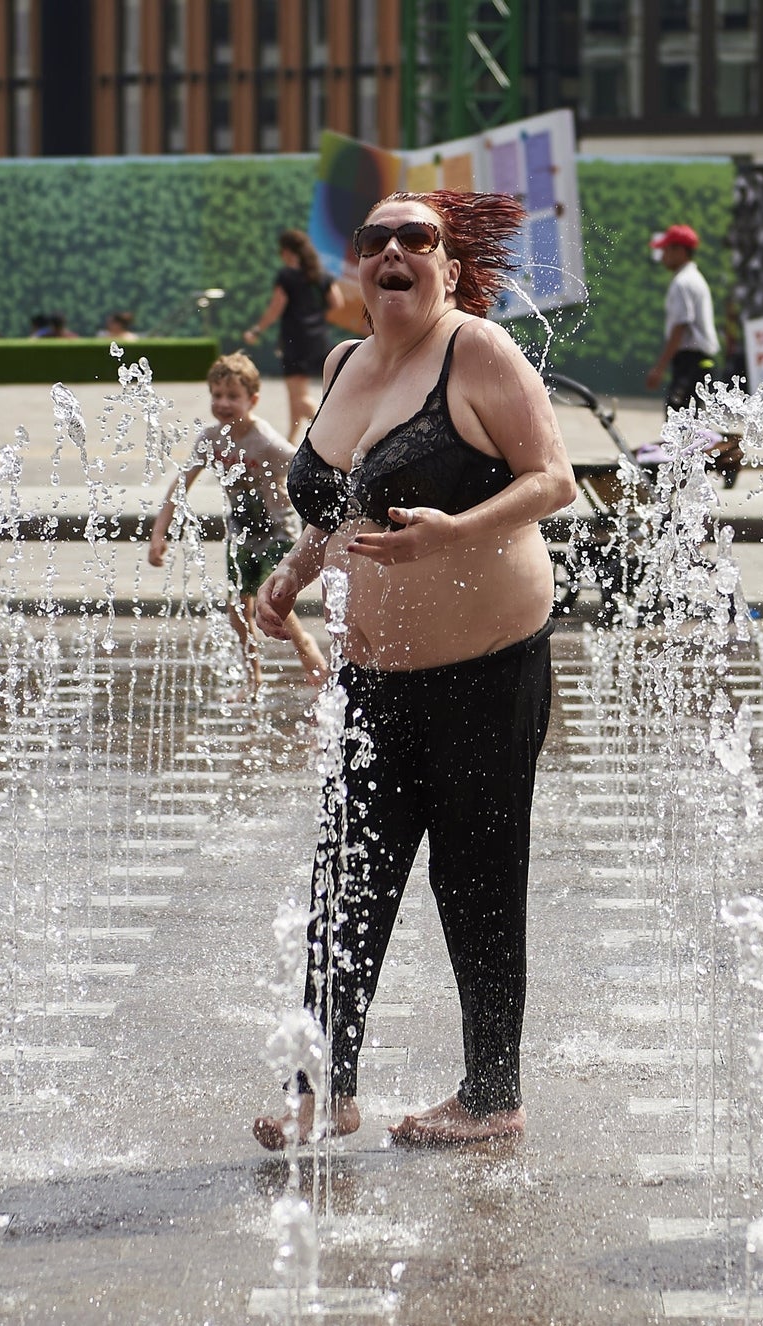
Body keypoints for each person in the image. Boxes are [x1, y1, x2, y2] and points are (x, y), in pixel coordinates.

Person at [252, 189, 575, 1149]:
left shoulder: (475, 350)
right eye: (375, 240)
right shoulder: (345, 361)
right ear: (357, 266)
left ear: (447, 266)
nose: (393, 252)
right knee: (348, 877)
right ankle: (323, 1088)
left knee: (474, 881)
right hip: (373, 678)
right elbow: (339, 503)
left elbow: (552, 478)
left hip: (487, 671)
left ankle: (492, 1098)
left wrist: (457, 534)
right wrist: (293, 570)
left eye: (415, 239)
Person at [147, 352, 327, 691]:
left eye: (232, 396)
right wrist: (160, 532)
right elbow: (180, 486)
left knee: (273, 602)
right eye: (216, 395)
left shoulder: (266, 441)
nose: (223, 403)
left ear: (253, 399)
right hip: (242, 534)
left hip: (278, 532)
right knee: (236, 609)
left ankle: (313, 662)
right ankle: (253, 677)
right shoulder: (210, 439)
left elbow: (305, 467)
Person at [243, 229, 342, 434]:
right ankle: (291, 439)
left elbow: (276, 307)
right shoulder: (321, 275)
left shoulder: (287, 276)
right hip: (318, 340)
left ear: (287, 252)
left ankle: (332, 431)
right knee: (296, 395)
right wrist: (315, 313)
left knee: (299, 397)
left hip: (295, 341)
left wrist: (256, 330)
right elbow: (337, 303)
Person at [644, 223, 720, 411]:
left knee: (680, 421)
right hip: (700, 361)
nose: (663, 256)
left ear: (680, 251)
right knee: (691, 421)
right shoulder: (694, 278)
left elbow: (680, 327)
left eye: (666, 250)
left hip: (690, 361)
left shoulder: (682, 283)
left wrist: (659, 368)